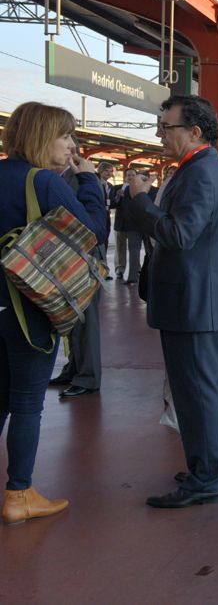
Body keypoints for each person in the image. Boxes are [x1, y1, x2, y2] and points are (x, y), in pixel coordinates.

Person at [125, 95, 218, 509]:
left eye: (167, 127)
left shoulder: (199, 174)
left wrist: (140, 200)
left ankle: (205, 477)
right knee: (209, 388)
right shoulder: (209, 168)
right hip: (201, 298)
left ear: (194, 132)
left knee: (197, 391)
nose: (160, 134)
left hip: (191, 299)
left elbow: (178, 235)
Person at [0, 102, 107, 524]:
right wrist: (89, 181)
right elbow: (93, 233)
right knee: (27, 402)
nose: (71, 145)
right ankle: (19, 494)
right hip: (30, 310)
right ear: (43, 137)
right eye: (65, 136)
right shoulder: (42, 181)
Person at [49, 155, 111, 398]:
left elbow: (92, 222)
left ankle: (88, 376)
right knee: (75, 321)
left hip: (84, 261)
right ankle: (74, 368)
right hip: (69, 260)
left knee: (87, 322)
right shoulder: (63, 178)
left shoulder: (80, 180)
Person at [112, 167, 143, 284]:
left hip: (134, 224)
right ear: (125, 177)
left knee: (134, 248)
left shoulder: (139, 188)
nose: (130, 177)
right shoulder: (117, 188)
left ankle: (136, 269)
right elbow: (112, 204)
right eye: (128, 175)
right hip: (120, 223)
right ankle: (120, 269)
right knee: (120, 247)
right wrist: (118, 197)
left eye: (132, 175)